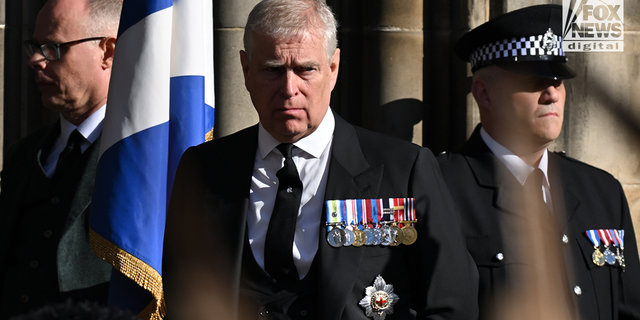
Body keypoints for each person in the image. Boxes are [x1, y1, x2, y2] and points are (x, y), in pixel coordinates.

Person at [163, 0, 478, 319]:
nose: (289, 89)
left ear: (333, 68)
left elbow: (451, 304)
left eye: (305, 69)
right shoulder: (203, 169)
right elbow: (182, 296)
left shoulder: (404, 169)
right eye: (272, 69)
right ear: (245, 70)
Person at [438, 4, 640, 320]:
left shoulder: (602, 192)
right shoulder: (440, 188)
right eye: (533, 80)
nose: (552, 93)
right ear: (485, 95)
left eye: (558, 80)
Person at [0, 0, 122, 318]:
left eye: (54, 48)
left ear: (108, 51)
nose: (36, 61)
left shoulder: (141, 157)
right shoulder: (24, 154)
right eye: (35, 46)